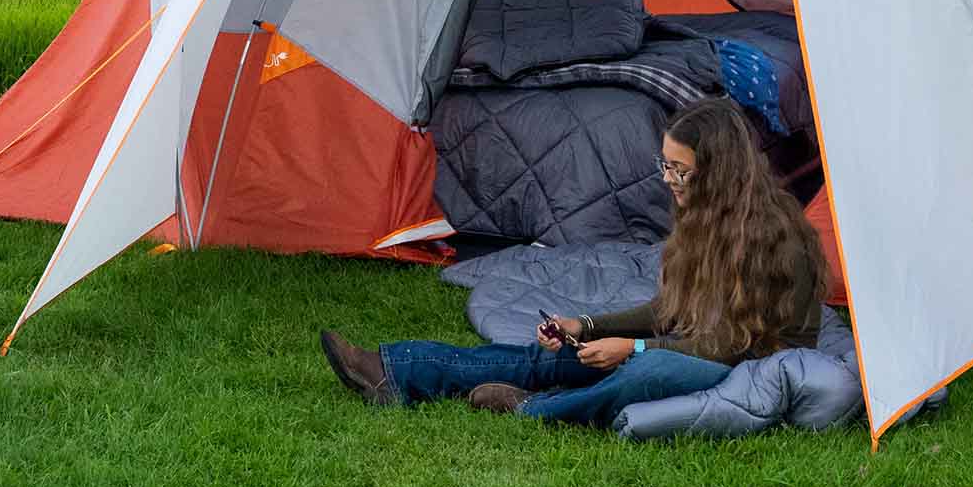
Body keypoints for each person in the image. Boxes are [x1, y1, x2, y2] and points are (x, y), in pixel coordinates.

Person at [319, 97, 827, 428]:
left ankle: (533, 408)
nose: (668, 180)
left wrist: (633, 348)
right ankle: (397, 369)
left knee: (642, 373)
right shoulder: (703, 219)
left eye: (681, 171)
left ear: (718, 174)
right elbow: (670, 309)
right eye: (665, 165)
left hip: (747, 365)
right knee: (558, 354)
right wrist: (585, 325)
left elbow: (728, 344)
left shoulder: (775, 240)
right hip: (693, 349)